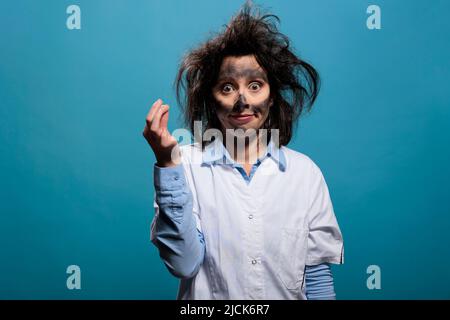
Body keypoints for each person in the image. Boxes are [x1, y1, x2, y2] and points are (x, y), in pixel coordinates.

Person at [142, 1, 344, 300]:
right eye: (226, 87)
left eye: (255, 85)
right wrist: (167, 163)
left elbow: (316, 279)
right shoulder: (184, 165)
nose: (241, 100)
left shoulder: (305, 174)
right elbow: (183, 264)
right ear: (212, 100)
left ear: (272, 96)